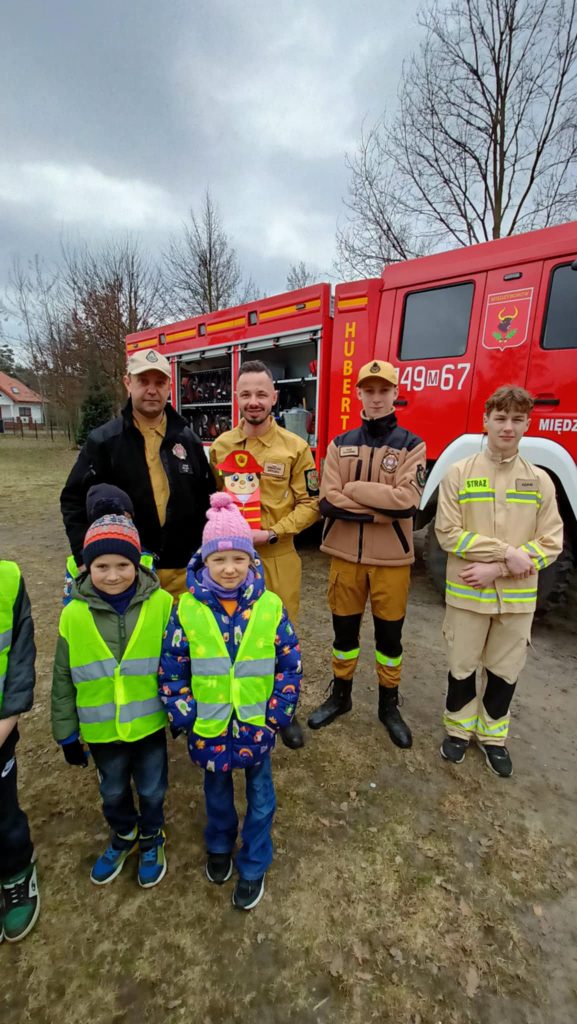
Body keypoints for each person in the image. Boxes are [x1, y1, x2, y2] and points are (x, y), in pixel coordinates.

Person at [159, 492, 302, 910]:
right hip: (209, 727)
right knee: (217, 795)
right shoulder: (186, 609)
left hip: (257, 726)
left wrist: (277, 714)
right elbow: (172, 668)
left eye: (238, 558)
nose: (229, 568)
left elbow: (289, 664)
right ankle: (219, 845)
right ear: (204, 561)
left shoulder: (270, 606)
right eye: (219, 559)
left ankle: (254, 862)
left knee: (261, 799)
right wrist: (186, 715)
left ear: (251, 560)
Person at [435, 385, 563, 777]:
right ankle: (458, 732)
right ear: (485, 421)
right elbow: (448, 534)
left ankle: (493, 738)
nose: (508, 427)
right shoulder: (459, 474)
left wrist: (499, 568)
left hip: (517, 600)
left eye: (517, 419)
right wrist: (507, 552)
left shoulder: (540, 481)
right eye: (501, 418)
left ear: (527, 424)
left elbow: (551, 542)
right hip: (468, 595)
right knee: (462, 666)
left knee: (505, 671)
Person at [308, 360, 426, 749]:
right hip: (345, 557)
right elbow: (328, 501)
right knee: (344, 634)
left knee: (390, 640)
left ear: (395, 393)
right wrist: (380, 508)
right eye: (369, 390)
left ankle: (388, 706)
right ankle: (341, 696)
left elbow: (407, 502)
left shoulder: (412, 445)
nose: (376, 398)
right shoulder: (339, 444)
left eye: (383, 390)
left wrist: (354, 488)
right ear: (358, 393)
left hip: (392, 563)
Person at [51, 510, 173, 886]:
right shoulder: (73, 616)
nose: (113, 575)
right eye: (102, 566)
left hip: (149, 724)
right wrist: (66, 733)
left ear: (137, 564)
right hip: (101, 729)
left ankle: (152, 835)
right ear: (87, 568)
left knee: (152, 787)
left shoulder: (162, 604)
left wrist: (181, 712)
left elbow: (177, 664)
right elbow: (62, 677)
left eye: (123, 565)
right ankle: (124, 833)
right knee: (113, 788)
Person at [209, 360, 320, 749]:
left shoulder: (295, 448)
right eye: (246, 394)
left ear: (274, 397)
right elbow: (212, 500)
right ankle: (236, 705)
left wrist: (273, 532)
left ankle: (283, 710)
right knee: (230, 633)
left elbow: (312, 504)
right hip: (229, 559)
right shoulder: (221, 447)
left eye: (261, 393)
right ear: (236, 398)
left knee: (279, 636)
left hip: (277, 554)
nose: (253, 401)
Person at [60, 349, 214, 602]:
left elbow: (207, 500)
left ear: (169, 386)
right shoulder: (104, 441)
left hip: (183, 572)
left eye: (159, 383)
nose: (152, 390)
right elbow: (73, 500)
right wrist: (82, 554)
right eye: (143, 381)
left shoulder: (189, 440)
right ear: (127, 383)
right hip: (129, 572)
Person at [0, 558, 39, 942]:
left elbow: (19, 659)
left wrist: (7, 720)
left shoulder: (7, 580)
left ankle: (16, 871)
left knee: (3, 812)